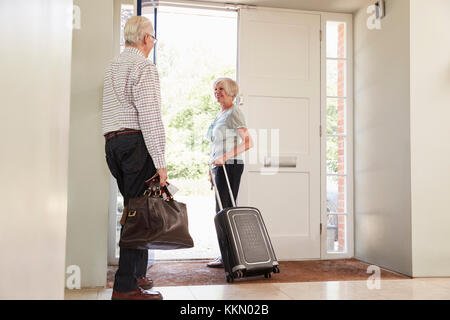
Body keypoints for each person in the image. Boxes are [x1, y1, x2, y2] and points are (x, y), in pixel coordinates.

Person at [102, 16, 167, 300]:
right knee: (137, 216)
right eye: (153, 37)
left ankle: (137, 274)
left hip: (113, 144)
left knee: (133, 209)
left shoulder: (112, 65)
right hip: (135, 144)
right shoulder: (144, 66)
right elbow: (151, 118)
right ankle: (126, 287)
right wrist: (161, 162)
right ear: (144, 38)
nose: (153, 42)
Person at [205, 77, 254, 268]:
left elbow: (248, 142)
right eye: (215, 89)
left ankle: (230, 257)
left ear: (231, 92)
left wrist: (224, 158)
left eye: (221, 89)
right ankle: (226, 255)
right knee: (220, 210)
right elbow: (216, 144)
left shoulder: (234, 113)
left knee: (226, 210)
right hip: (219, 167)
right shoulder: (220, 114)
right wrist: (212, 168)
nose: (217, 92)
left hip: (231, 166)